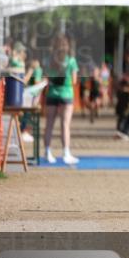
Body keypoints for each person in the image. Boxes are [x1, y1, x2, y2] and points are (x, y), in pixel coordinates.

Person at [43, 35, 80, 165]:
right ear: (67, 46)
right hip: (66, 95)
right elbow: (74, 81)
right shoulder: (71, 61)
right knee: (65, 125)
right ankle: (66, 153)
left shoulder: (48, 60)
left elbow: (46, 77)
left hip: (52, 94)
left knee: (49, 125)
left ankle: (47, 151)